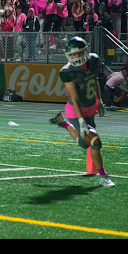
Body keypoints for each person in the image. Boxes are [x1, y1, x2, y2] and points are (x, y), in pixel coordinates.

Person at [48, 36, 114, 187]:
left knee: (84, 144)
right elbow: (75, 98)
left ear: (86, 51)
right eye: (72, 54)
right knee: (95, 141)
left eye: (79, 53)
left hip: (91, 108)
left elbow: (95, 80)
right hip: (76, 111)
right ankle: (104, 177)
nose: (76, 57)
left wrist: (99, 101)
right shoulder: (67, 72)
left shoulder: (94, 60)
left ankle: (63, 124)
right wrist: (81, 121)